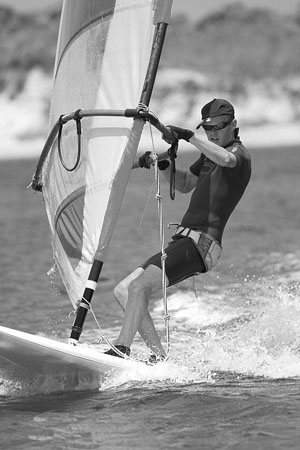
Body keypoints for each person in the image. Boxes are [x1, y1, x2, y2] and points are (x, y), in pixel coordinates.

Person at [105, 98, 251, 361]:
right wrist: (162, 164)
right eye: (209, 128)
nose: (214, 132)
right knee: (124, 290)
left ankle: (121, 349)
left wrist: (191, 137)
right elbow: (184, 183)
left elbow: (227, 160)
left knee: (138, 287)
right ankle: (159, 360)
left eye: (220, 126)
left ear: (234, 125)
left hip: (203, 244)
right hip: (184, 241)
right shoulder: (208, 157)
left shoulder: (238, 155)